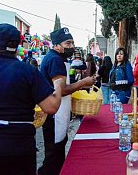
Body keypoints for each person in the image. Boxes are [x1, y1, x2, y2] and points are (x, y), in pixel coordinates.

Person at [0, 23, 63, 175]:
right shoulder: (28, 71)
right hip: (19, 150)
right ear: (17, 47)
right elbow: (51, 107)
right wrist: (58, 85)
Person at [38, 27, 95, 175]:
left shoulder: (57, 59)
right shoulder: (55, 60)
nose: (71, 47)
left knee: (57, 154)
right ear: (56, 45)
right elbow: (61, 90)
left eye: (72, 43)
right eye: (67, 43)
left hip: (59, 114)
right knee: (53, 157)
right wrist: (83, 83)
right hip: (55, 116)